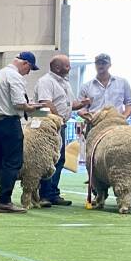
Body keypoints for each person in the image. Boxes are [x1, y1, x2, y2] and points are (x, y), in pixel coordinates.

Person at [0, 52, 46, 214]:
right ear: (25, 64)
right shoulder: (15, 77)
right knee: (12, 162)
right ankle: (4, 201)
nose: (28, 73)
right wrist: (35, 107)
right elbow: (18, 104)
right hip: (9, 122)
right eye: (29, 69)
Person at [33, 55, 89, 207]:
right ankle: (43, 194)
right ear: (57, 68)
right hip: (48, 127)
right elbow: (46, 103)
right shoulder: (46, 81)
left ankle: (52, 193)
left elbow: (69, 104)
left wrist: (83, 104)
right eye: (67, 66)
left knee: (59, 160)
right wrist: (58, 120)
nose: (69, 68)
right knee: (47, 160)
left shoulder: (64, 83)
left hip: (59, 126)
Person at [78, 53, 131, 123]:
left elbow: (130, 103)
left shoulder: (122, 82)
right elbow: (81, 107)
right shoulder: (86, 86)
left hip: (117, 123)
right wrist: (86, 115)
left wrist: (124, 117)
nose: (101, 66)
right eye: (98, 63)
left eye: (104, 63)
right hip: (94, 123)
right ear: (95, 65)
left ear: (110, 65)